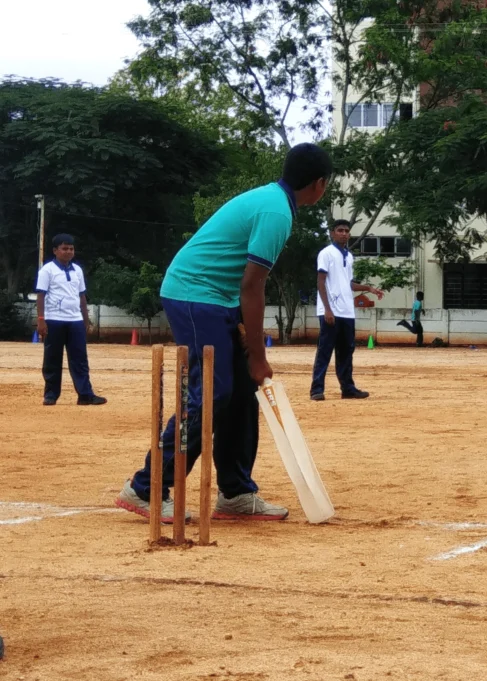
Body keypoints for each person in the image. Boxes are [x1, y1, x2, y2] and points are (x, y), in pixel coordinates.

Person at [116, 143, 334, 523]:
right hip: (194, 295)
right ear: (319, 184)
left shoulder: (274, 202)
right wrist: (258, 354)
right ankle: (145, 487)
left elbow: (245, 285)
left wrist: (249, 345)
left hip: (217, 298)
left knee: (240, 396)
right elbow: (253, 286)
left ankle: (235, 493)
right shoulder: (276, 212)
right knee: (213, 393)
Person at [311, 219, 384, 400]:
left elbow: (348, 284)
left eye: (346, 231)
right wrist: (327, 309)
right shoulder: (326, 253)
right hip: (331, 311)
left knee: (346, 351)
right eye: (340, 230)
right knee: (325, 350)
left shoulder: (349, 256)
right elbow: (321, 281)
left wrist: (368, 288)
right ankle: (317, 390)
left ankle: (348, 388)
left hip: (347, 312)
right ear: (332, 233)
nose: (344, 233)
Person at [35, 234, 106, 406]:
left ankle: (85, 394)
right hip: (54, 319)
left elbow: (82, 296)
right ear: (55, 250)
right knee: (52, 358)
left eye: (71, 249)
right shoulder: (47, 270)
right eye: (64, 248)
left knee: (80, 358)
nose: (68, 252)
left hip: (75, 320)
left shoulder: (78, 270)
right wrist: (41, 320)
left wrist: (85, 318)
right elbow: (41, 295)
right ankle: (51, 395)